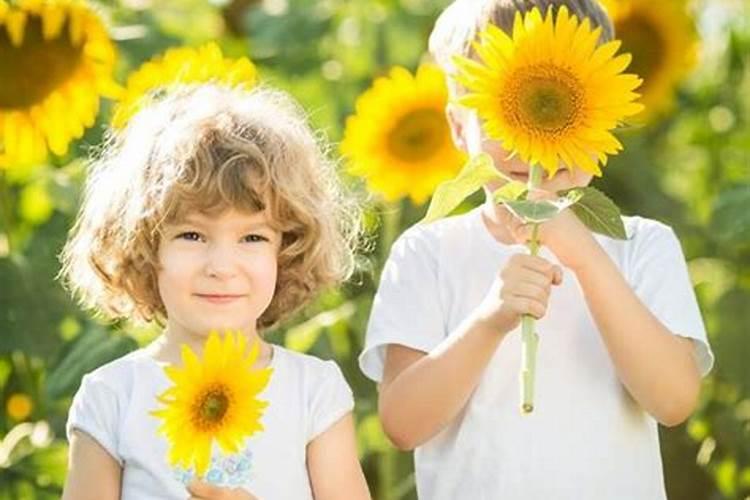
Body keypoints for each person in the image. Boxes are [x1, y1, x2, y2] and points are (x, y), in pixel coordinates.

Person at [358, 1, 714, 498]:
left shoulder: (642, 246)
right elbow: (402, 423)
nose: (537, 140)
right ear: (460, 128)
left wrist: (588, 257)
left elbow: (674, 400)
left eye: (564, 108)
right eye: (508, 111)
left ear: (605, 118)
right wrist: (490, 320)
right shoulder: (428, 253)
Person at [60, 83, 371, 500]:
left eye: (253, 238)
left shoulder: (312, 391)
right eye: (192, 235)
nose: (222, 267)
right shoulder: (113, 397)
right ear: (144, 247)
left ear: (288, 249)